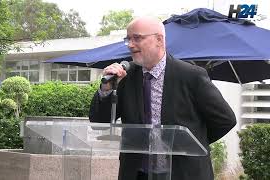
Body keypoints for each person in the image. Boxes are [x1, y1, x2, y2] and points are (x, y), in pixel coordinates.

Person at [89, 16, 236, 180]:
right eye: (128, 39)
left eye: (137, 38)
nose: (130, 44)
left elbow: (225, 120)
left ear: (159, 39)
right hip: (137, 174)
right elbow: (99, 122)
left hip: (184, 174)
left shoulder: (191, 75)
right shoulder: (125, 77)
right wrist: (106, 89)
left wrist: (190, 143)